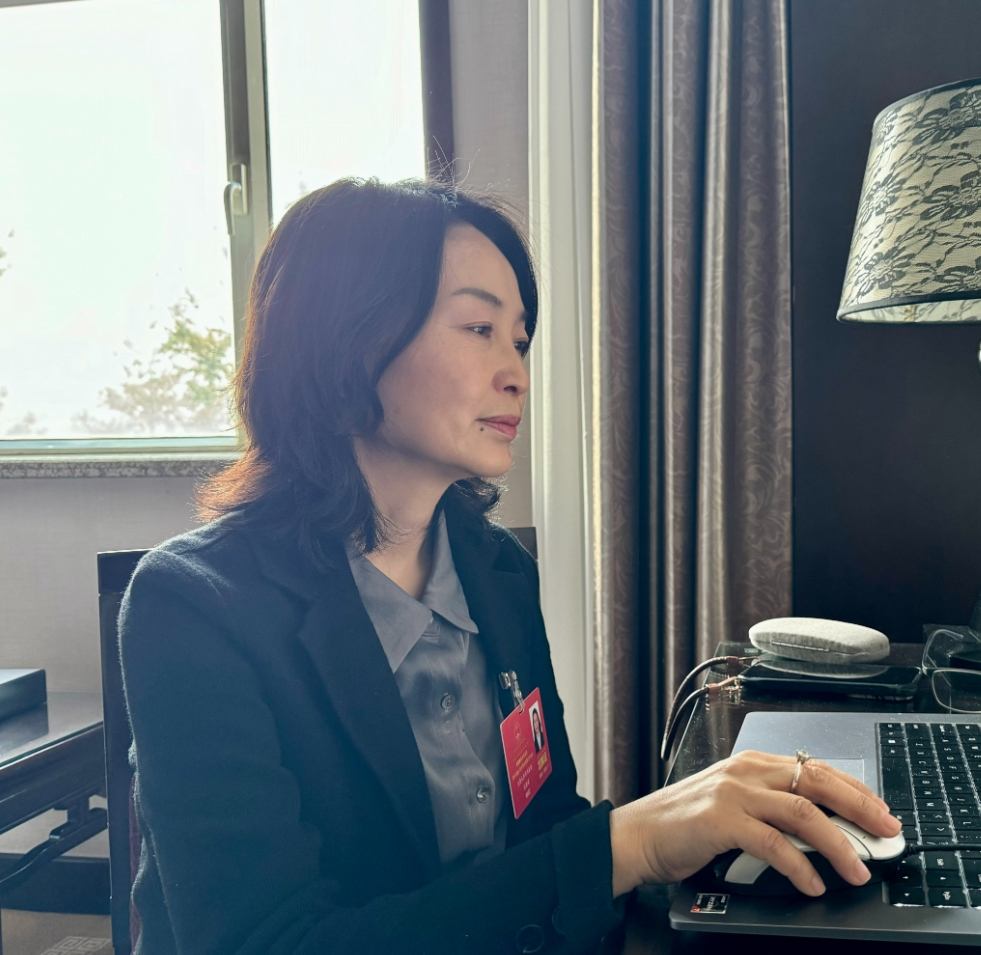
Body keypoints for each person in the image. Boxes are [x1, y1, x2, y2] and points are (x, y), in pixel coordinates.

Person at [118, 178, 900, 954]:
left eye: (518, 340)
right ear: (348, 339)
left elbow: (542, 822)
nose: (517, 373)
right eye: (477, 328)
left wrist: (709, 849)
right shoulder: (193, 606)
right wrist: (629, 841)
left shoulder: (495, 570)